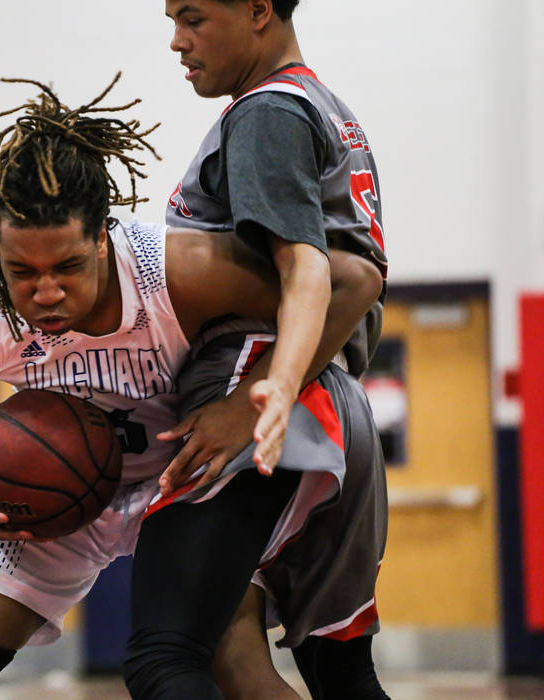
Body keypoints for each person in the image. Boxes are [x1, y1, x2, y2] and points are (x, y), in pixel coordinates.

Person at [0, 74, 382, 699]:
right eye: (22, 272)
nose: (46, 293)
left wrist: (252, 399)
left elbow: (350, 279)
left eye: (67, 267)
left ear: (103, 241)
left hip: (184, 472)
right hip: (53, 494)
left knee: (220, 666)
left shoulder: (174, 271)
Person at [125, 0, 390, 697]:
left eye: (193, 18)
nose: (177, 42)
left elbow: (326, 274)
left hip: (266, 385)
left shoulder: (267, 112)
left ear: (258, 11)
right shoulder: (324, 106)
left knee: (165, 653)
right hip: (331, 398)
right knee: (292, 665)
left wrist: (253, 398)